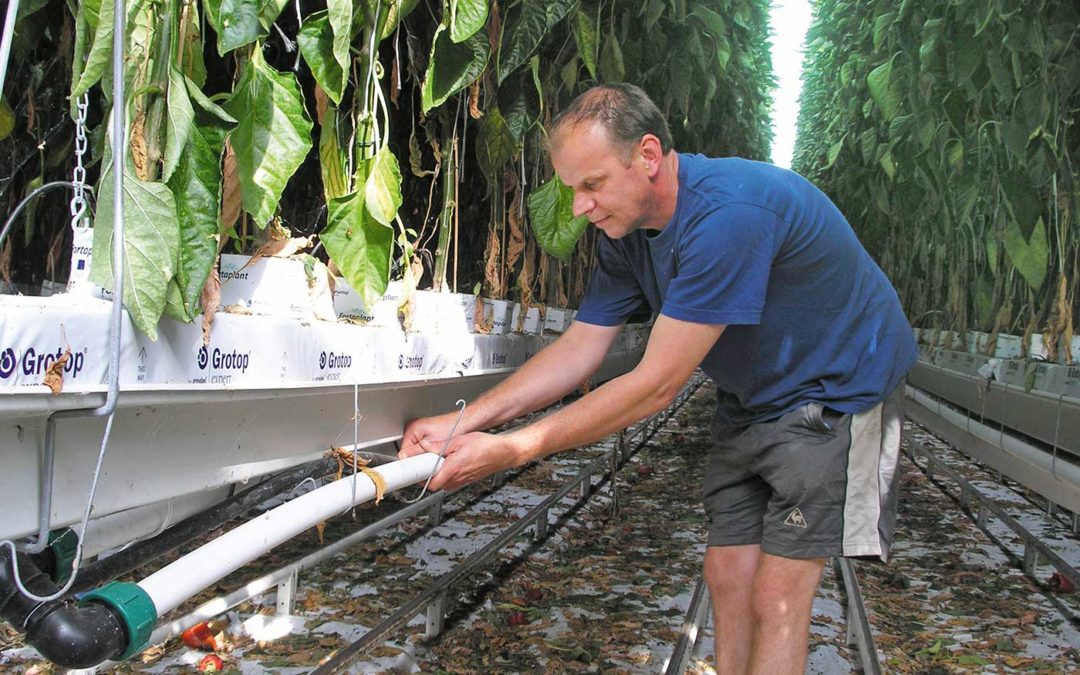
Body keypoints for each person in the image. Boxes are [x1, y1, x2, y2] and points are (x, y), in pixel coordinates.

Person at [399, 83, 917, 674]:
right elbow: (578, 350)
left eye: (591, 185)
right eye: (572, 190)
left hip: (840, 392)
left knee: (778, 592)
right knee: (727, 574)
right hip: (753, 398)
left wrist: (513, 449)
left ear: (647, 156)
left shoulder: (727, 217)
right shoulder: (628, 235)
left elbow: (656, 385)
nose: (578, 208)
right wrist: (462, 421)